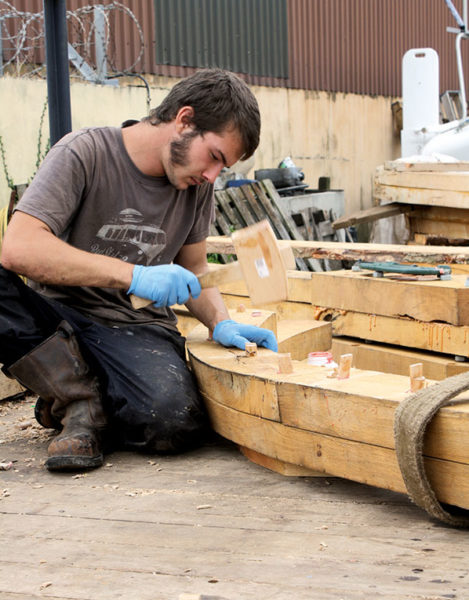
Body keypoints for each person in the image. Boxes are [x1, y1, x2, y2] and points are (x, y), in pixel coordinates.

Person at [0, 68, 277, 472]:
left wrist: (220, 322)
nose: (212, 175)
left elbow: (196, 270)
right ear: (184, 120)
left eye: (223, 168)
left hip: (136, 326)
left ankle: (79, 401)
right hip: (59, 323)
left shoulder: (198, 188)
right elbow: (19, 248)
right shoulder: (84, 152)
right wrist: (133, 275)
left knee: (171, 422)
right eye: (215, 157)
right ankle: (81, 400)